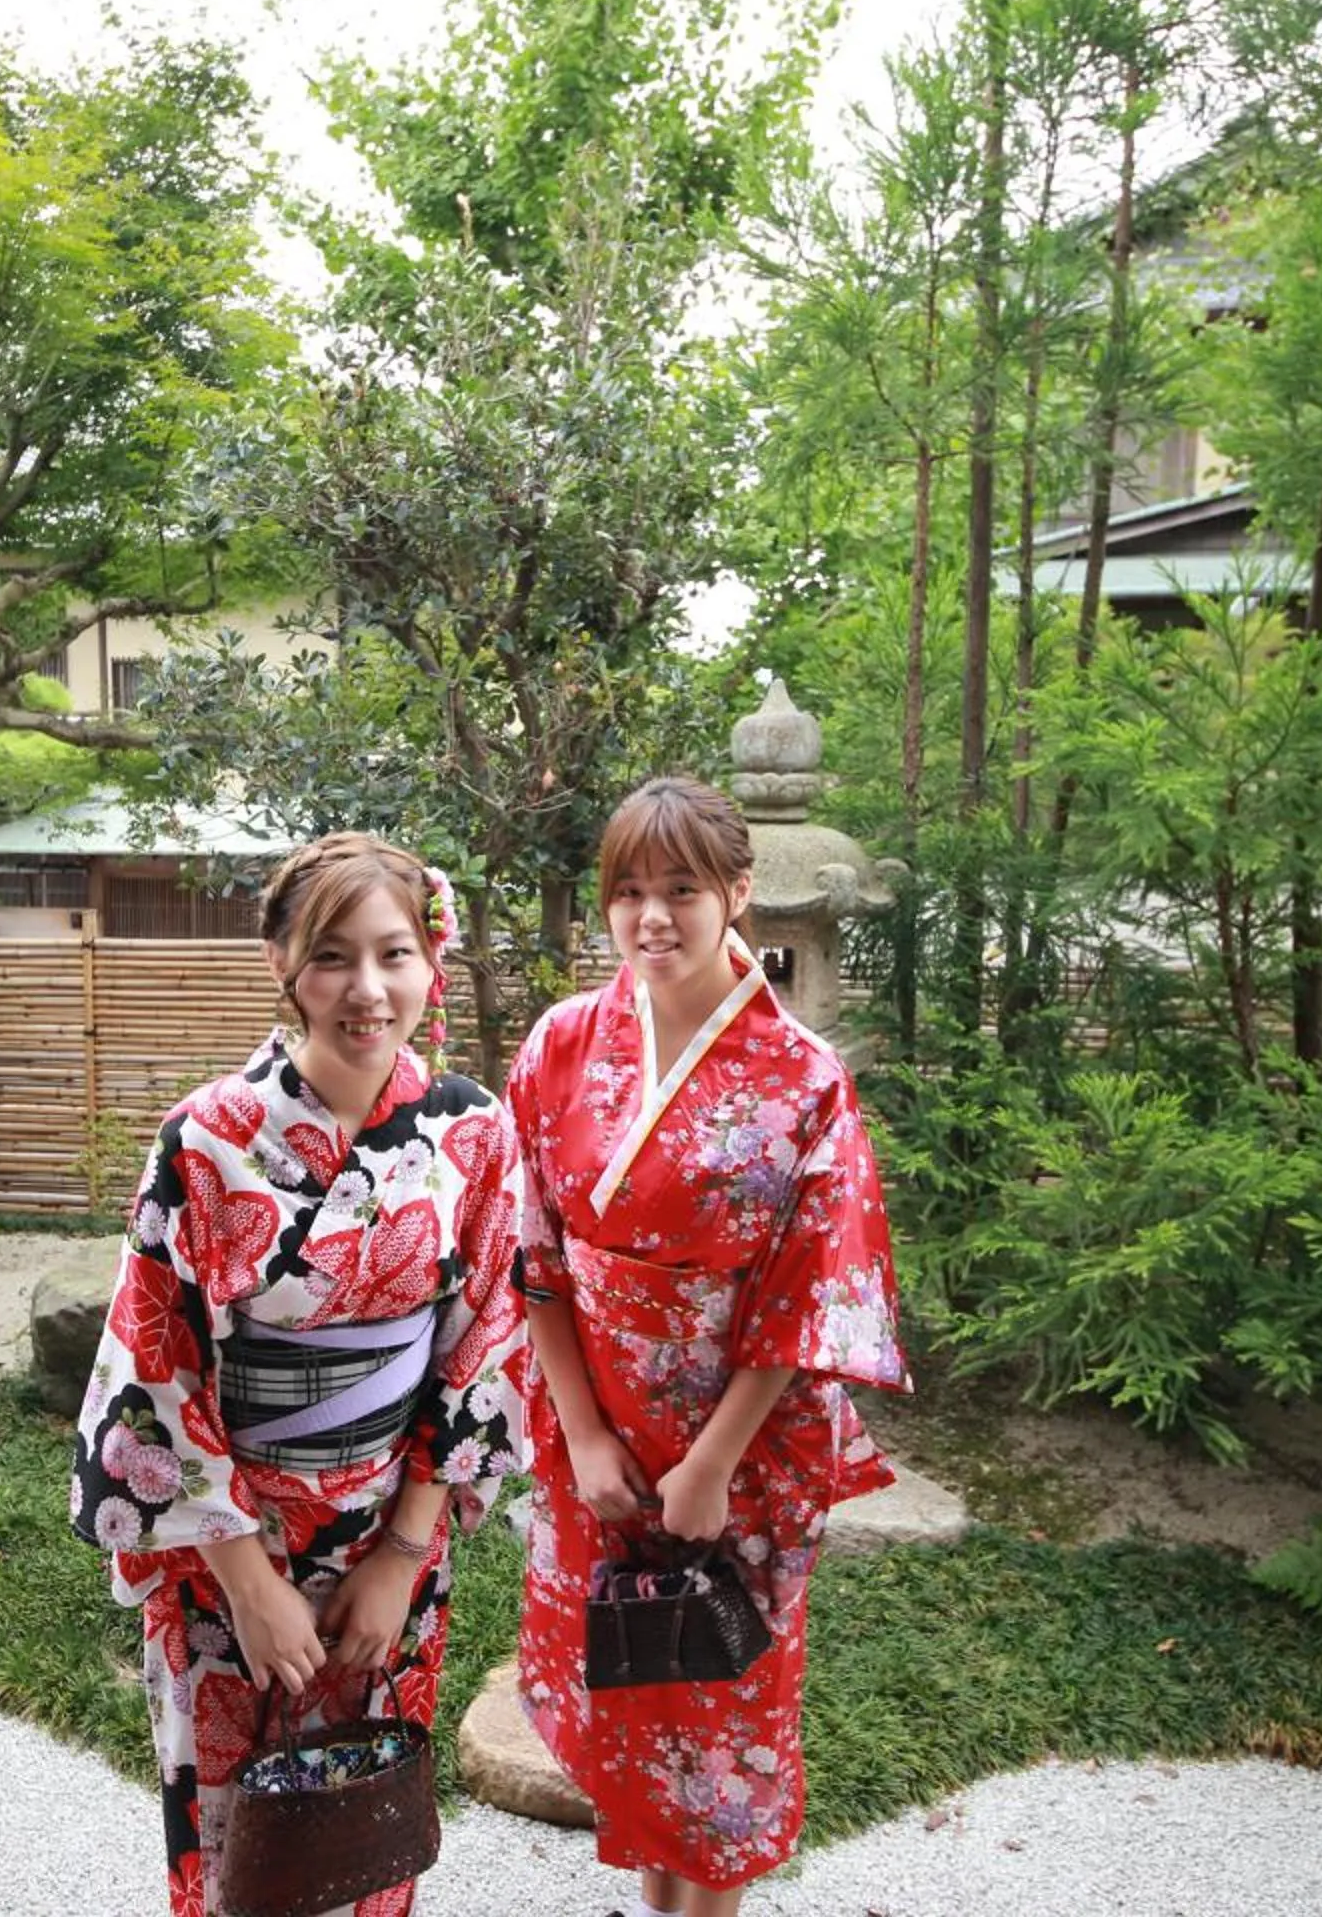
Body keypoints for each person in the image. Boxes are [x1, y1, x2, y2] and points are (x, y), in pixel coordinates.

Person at [71, 832, 523, 1917]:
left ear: (433, 961)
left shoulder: (472, 1129)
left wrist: (405, 1552)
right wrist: (249, 1581)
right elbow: (157, 1360)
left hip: (387, 1548)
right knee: (239, 1844)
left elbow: (483, 1344)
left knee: (365, 1825)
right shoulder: (207, 1137)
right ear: (281, 961)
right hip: (229, 1550)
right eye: (333, 956)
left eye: (396, 953)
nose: (368, 989)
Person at [508, 776, 910, 1917]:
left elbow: (807, 1294)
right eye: (627, 890)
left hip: (741, 1444)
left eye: (681, 888)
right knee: (637, 1691)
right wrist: (583, 1430)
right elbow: (533, 1247)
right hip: (601, 1432)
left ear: (737, 891)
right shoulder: (563, 1043)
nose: (651, 917)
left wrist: (714, 1462)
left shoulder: (804, 1080)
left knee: (721, 1706)